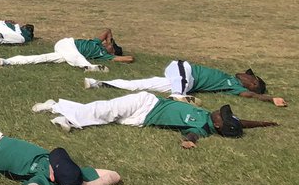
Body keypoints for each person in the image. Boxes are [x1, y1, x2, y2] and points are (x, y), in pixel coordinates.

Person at [32, 92, 278, 147]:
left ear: (219, 126)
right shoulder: (208, 118)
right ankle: (65, 119)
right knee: (105, 109)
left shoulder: (203, 127)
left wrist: (189, 141)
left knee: (103, 115)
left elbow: (192, 134)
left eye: (221, 116)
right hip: (148, 103)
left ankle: (56, 105)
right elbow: (242, 121)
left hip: (141, 118)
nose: (218, 112)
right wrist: (266, 123)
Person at [84, 61, 287, 107]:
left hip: (185, 79)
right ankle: (177, 97)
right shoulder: (231, 79)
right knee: (180, 85)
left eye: (248, 76)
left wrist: (271, 99)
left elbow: (250, 96)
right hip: (182, 69)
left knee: (142, 84)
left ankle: (97, 83)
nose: (243, 73)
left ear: (252, 83)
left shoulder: (235, 86)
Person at [0, 28, 133, 70]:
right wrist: (109, 41)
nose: (107, 44)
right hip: (67, 44)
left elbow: (129, 58)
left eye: (111, 45)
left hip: (68, 54)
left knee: (41, 58)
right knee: (78, 57)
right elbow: (107, 30)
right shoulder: (97, 43)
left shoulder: (106, 55)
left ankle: (7, 61)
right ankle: (89, 67)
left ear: (112, 51)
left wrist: (112, 51)